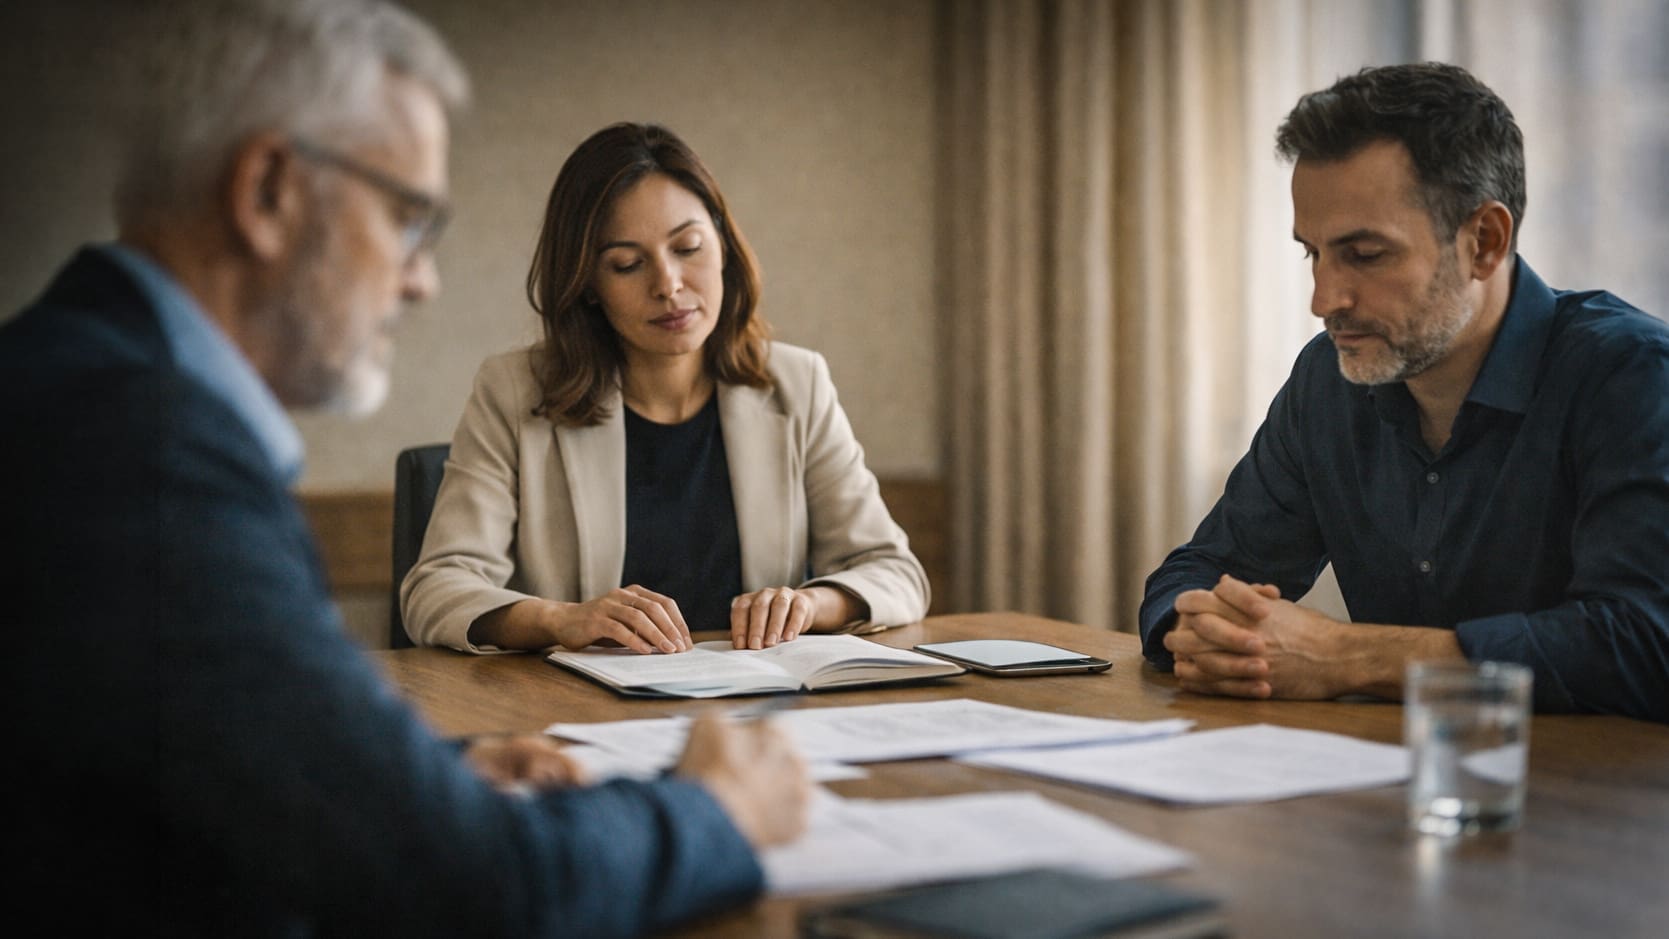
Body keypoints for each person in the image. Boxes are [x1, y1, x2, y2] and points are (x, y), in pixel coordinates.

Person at [0, 2, 808, 935]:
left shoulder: (73, 382)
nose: (421, 279)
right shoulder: (141, 449)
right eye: (408, 215)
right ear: (267, 190)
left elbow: (153, 783)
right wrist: (716, 814)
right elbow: (479, 888)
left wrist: (423, 788)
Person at [1139, 62, 1669, 724]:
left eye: (1364, 255)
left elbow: (1645, 643)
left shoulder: (1633, 374)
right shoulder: (1326, 379)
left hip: (1608, 807)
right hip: (1386, 790)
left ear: (1484, 242)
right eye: (1313, 253)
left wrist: (1344, 655)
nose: (1323, 300)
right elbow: (1201, 570)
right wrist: (1200, 631)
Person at [400, 122, 930, 655]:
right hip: (583, 714)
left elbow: (896, 573)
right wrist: (561, 620)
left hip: (758, 706)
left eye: (689, 247)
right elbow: (435, 589)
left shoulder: (798, 384)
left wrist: (811, 605)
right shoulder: (512, 392)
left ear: (723, 247)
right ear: (587, 284)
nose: (669, 285)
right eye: (628, 264)